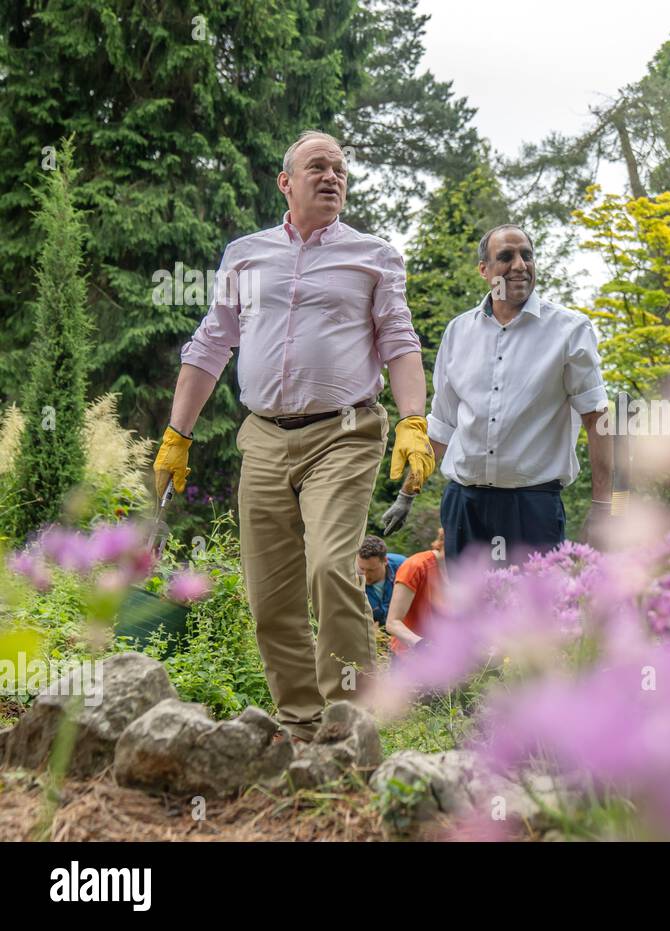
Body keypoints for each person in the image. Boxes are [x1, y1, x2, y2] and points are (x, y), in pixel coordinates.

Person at [151, 130, 436, 741]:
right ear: (286, 182)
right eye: (317, 166)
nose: (332, 175)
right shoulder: (246, 255)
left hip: (346, 432)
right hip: (263, 437)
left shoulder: (374, 256)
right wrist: (178, 434)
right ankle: (303, 726)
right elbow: (211, 344)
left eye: (340, 167)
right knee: (270, 592)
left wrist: (415, 420)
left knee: (332, 567)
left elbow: (400, 343)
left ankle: (351, 725)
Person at [425, 224, 612, 565]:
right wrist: (408, 492)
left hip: (533, 508)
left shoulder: (570, 330)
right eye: (506, 257)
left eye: (527, 255)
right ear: (484, 270)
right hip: (463, 506)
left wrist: (603, 506)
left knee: (535, 615)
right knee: (466, 615)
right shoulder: (458, 331)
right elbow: (442, 422)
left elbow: (597, 419)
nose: (519, 265)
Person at [384, 541, 445, 655]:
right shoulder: (416, 565)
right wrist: (422, 645)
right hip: (407, 656)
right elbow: (392, 623)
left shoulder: (464, 570)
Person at [357, 535, 406, 627]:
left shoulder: (403, 566)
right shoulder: (350, 577)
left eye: (371, 570)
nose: (365, 575)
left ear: (385, 561)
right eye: (362, 569)